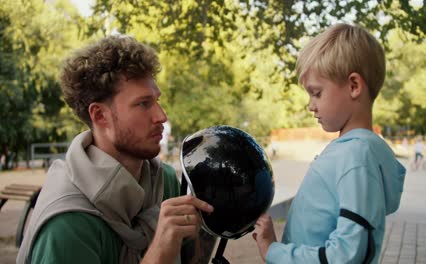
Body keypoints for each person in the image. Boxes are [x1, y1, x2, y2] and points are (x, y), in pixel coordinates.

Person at [17, 35, 216, 264]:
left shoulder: (166, 181)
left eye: (157, 100)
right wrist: (159, 251)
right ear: (100, 115)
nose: (161, 116)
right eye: (143, 104)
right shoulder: (68, 223)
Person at [253, 23, 406, 263]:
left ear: (354, 86)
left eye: (316, 93)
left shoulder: (356, 156)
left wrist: (274, 251)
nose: (310, 105)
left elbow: (347, 254)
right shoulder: (353, 151)